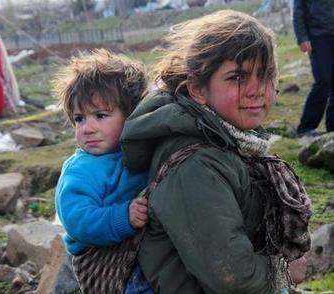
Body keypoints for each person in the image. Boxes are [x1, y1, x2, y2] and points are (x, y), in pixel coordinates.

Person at [120, 10, 311, 294]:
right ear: (198, 89)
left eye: (266, 74)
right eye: (237, 77)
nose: (256, 90)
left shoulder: (229, 138)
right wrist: (283, 271)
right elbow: (230, 276)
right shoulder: (196, 165)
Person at [53, 49, 153, 293]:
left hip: (138, 247)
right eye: (79, 118)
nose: (87, 128)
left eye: (100, 115)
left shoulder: (140, 151)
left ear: (131, 115)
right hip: (102, 257)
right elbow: (78, 220)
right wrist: (123, 217)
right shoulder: (81, 169)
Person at [293, 0, 334, 137]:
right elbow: (298, 12)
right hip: (317, 36)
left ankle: (332, 127)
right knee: (323, 80)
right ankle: (306, 127)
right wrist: (302, 37)